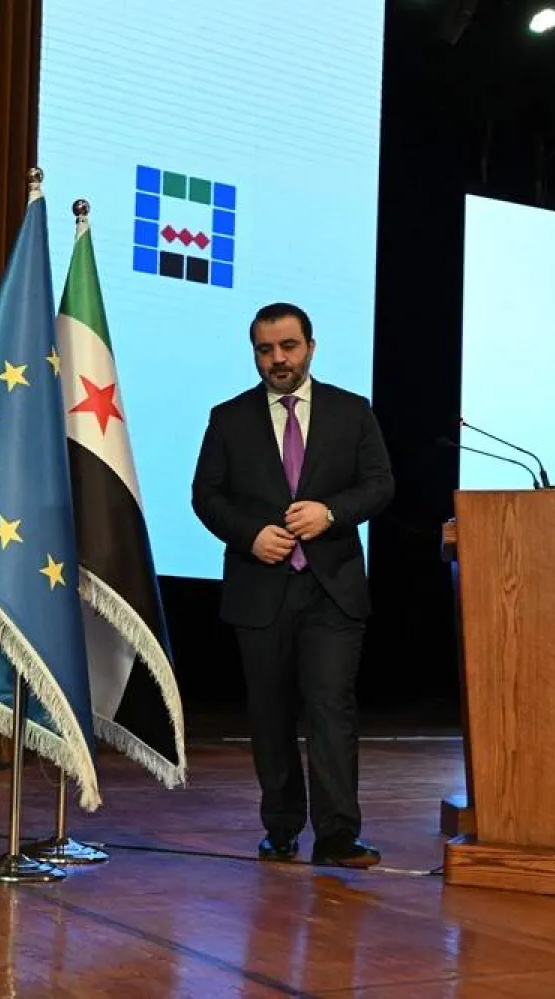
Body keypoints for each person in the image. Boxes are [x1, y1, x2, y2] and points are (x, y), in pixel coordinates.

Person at [191, 302, 394, 868]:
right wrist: (251, 535)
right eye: (265, 349)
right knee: (271, 713)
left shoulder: (352, 412)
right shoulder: (228, 418)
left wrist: (331, 512)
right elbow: (206, 497)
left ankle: (337, 835)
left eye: (288, 347)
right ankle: (280, 829)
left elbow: (380, 485)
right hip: (261, 589)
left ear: (310, 345)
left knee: (331, 708)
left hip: (331, 589)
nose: (277, 359)